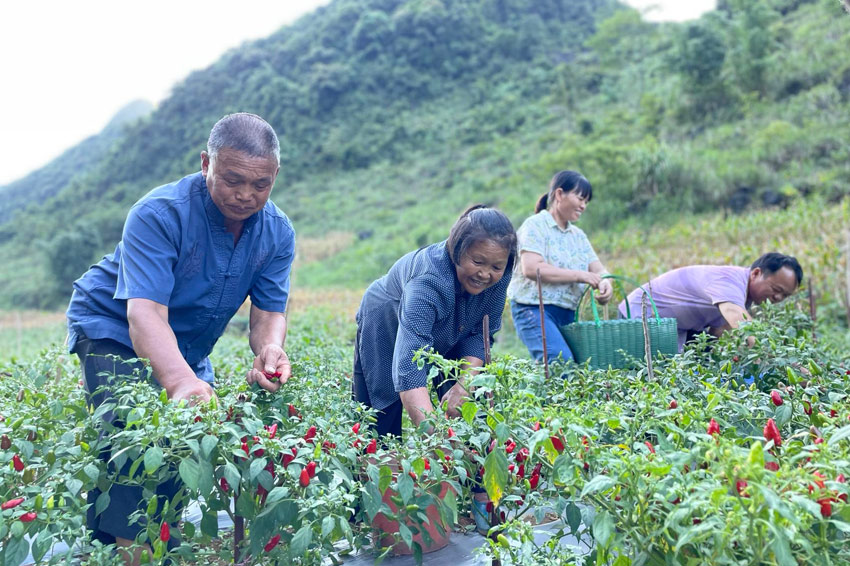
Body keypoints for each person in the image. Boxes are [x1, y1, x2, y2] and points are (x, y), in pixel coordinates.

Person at [65, 113, 295, 565]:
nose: (246, 194)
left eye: (261, 184)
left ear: (275, 177)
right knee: (132, 437)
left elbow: (268, 313)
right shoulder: (159, 212)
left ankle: (142, 548)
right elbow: (144, 312)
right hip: (113, 325)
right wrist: (182, 382)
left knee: (182, 446)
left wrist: (269, 348)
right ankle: (127, 554)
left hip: (185, 340)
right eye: (232, 179)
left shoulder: (277, 231)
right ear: (206, 162)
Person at [352, 205, 516, 534]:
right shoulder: (429, 279)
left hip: (457, 323)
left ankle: (480, 506)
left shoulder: (498, 278)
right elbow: (409, 370)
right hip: (387, 317)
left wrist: (462, 386)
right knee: (382, 414)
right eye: (477, 261)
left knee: (474, 407)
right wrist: (439, 441)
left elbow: (481, 334)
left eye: (496, 266)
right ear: (457, 251)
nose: (486, 273)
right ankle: (377, 515)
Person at [507, 170, 613, 363]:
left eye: (586, 202)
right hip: (534, 309)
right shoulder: (536, 225)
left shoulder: (578, 236)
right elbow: (531, 269)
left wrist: (606, 283)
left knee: (583, 369)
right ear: (559, 194)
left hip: (567, 313)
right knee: (559, 363)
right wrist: (580, 276)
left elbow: (598, 269)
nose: (583, 206)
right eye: (580, 198)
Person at [618, 252, 803, 352]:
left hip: (672, 328)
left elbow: (718, 332)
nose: (778, 298)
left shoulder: (744, 297)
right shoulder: (730, 281)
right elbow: (739, 320)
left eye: (784, 296)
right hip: (640, 315)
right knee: (643, 378)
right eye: (776, 290)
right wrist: (775, 355)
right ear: (756, 273)